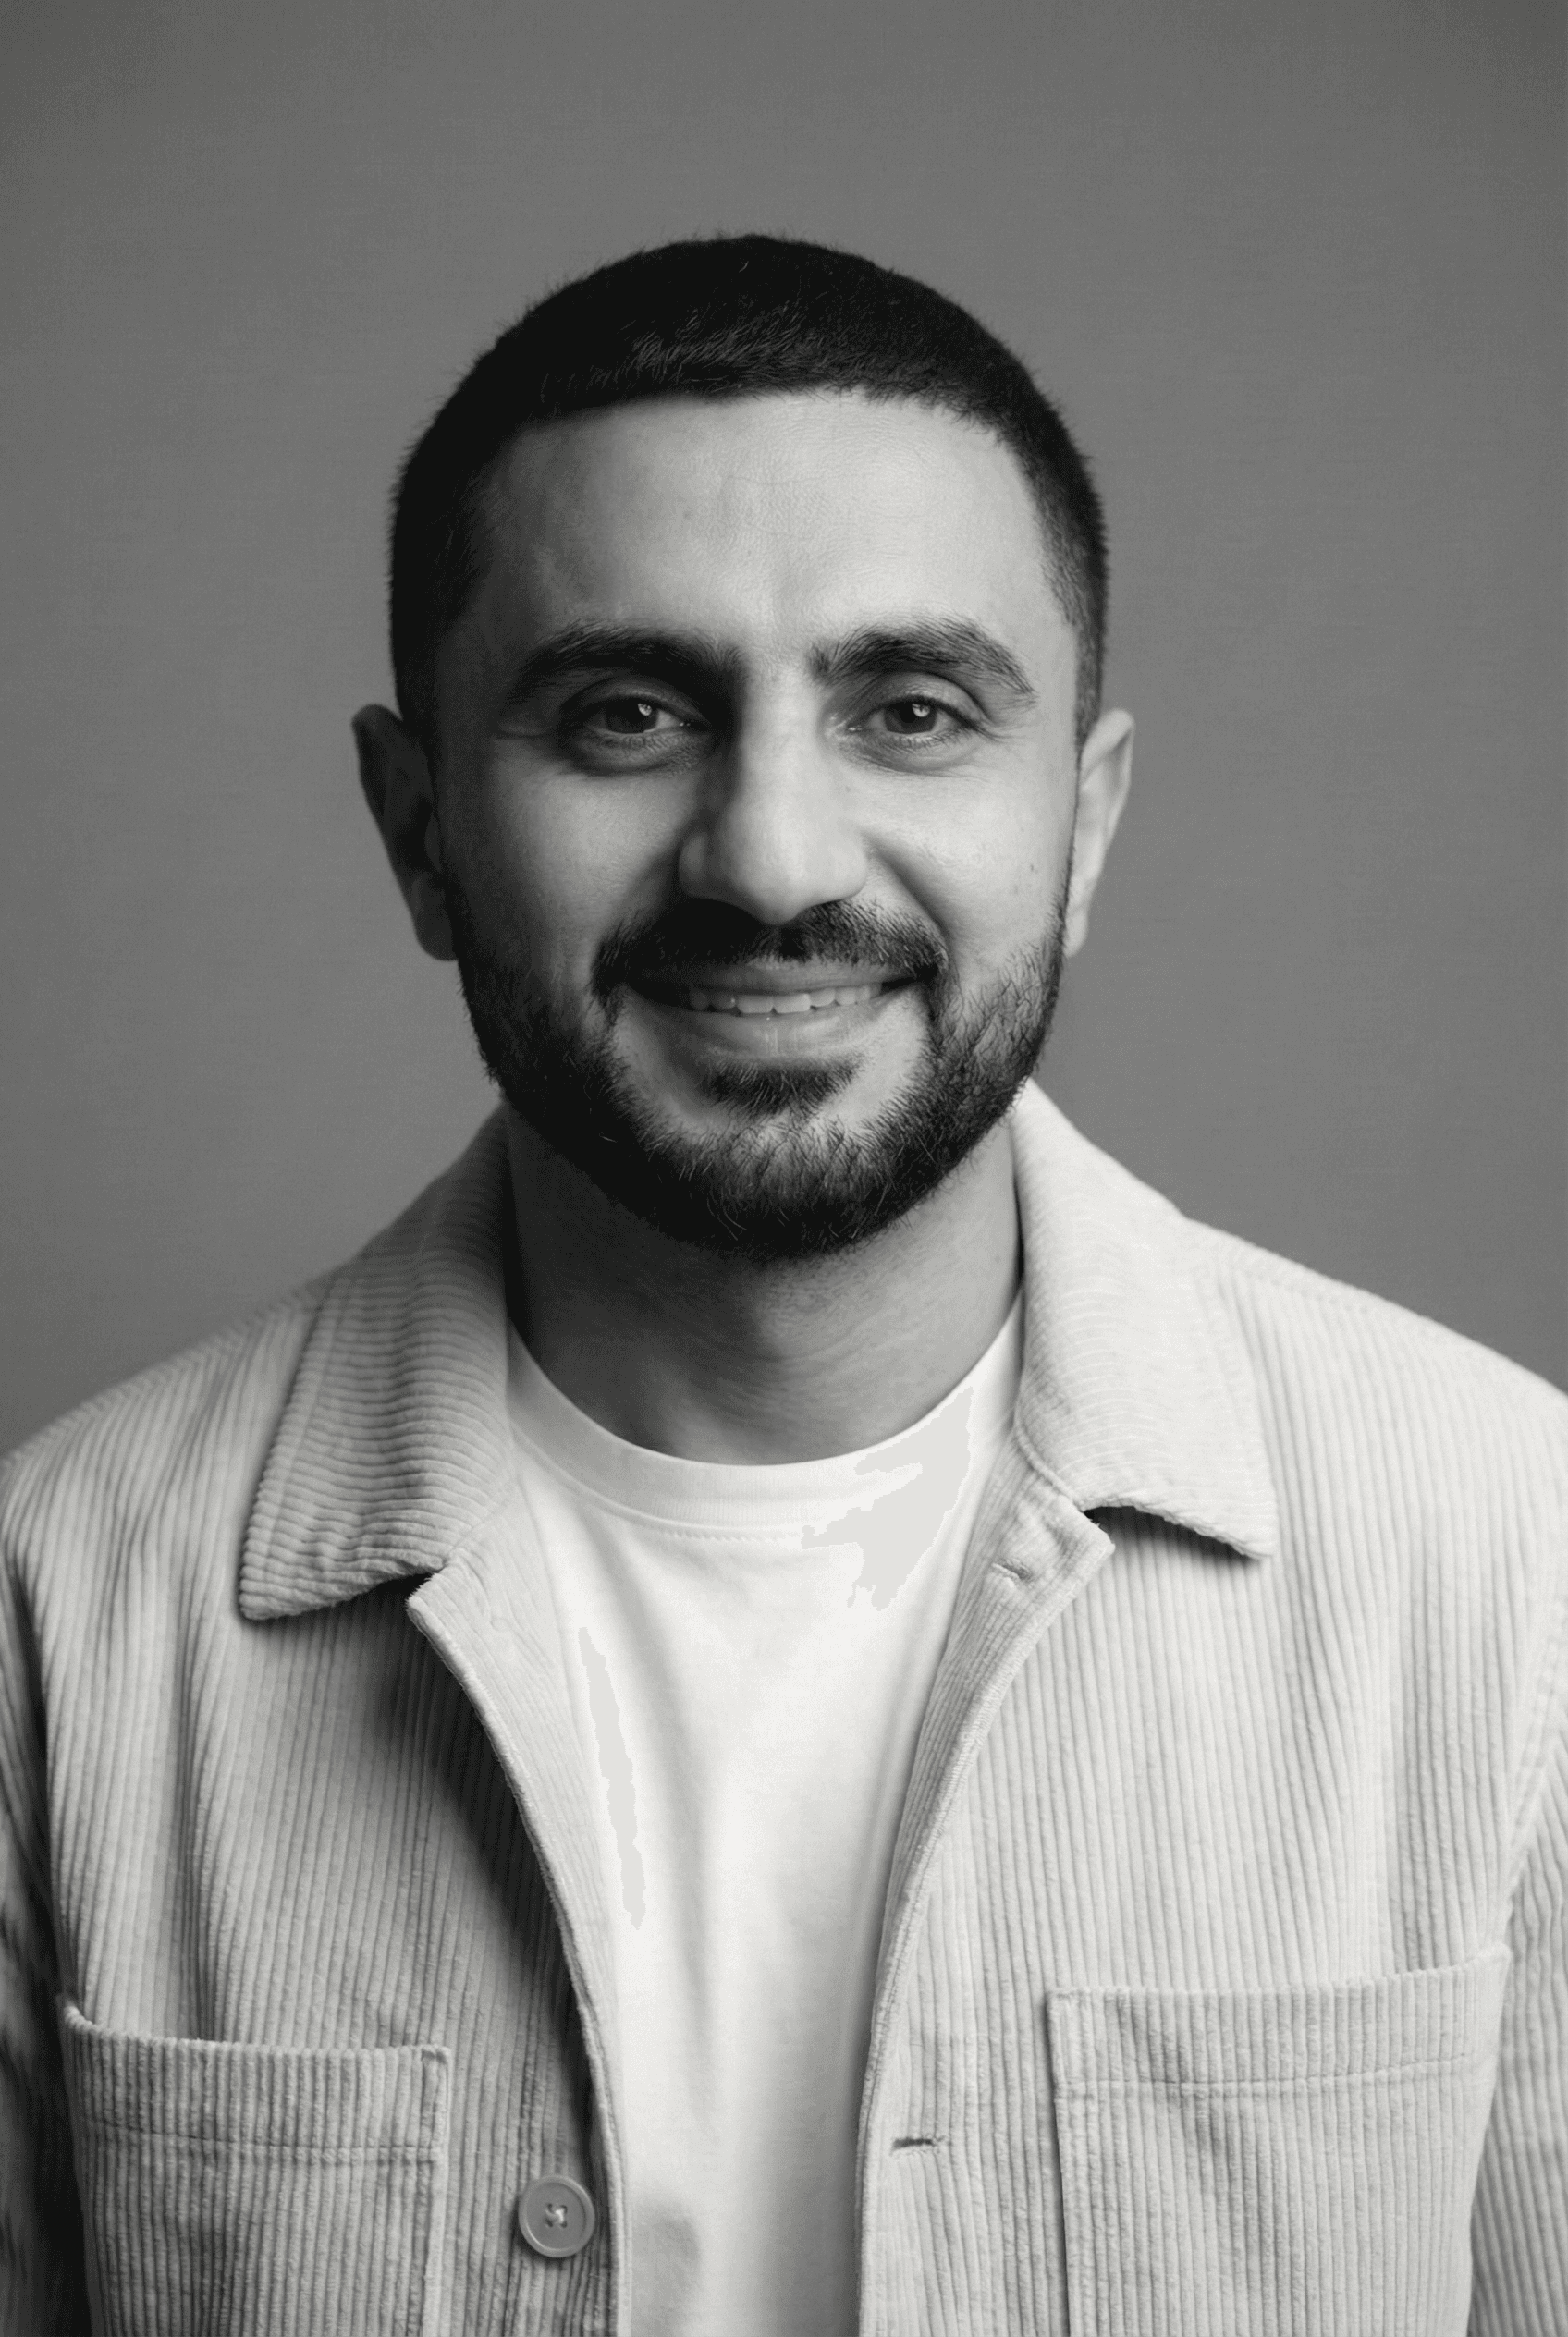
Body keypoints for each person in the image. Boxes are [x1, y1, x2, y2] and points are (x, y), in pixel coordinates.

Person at [1, 235, 1562, 2337]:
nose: (770, 859)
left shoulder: (1510, 1567)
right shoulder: (59, 1609)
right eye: (626, 711)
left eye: (910, 710)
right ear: (417, 832)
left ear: (1080, 824)